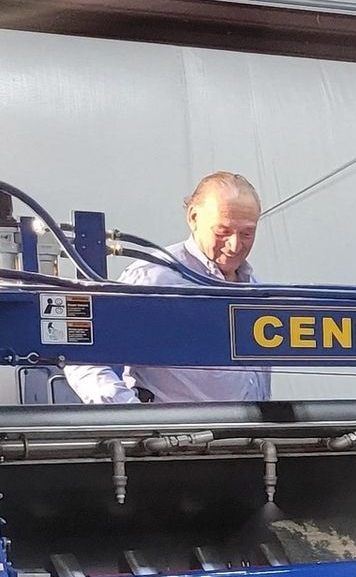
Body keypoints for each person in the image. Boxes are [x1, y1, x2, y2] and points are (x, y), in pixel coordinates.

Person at [67, 171, 270, 405]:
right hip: (177, 437)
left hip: (249, 434)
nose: (235, 245)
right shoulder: (156, 280)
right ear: (193, 217)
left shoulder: (253, 287)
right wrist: (131, 415)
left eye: (247, 233)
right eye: (222, 232)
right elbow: (82, 356)